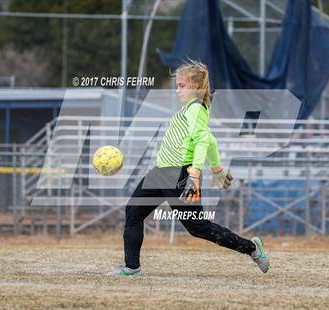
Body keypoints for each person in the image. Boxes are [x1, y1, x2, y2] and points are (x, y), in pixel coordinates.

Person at [107, 60, 269, 276]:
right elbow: (210, 140)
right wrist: (218, 168)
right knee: (133, 212)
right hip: (161, 172)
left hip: (179, 174)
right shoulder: (189, 110)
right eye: (177, 85)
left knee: (198, 227)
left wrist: (195, 172)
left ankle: (252, 248)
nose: (177, 90)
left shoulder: (196, 109)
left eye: (182, 85)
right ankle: (132, 268)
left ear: (196, 88)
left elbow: (202, 140)